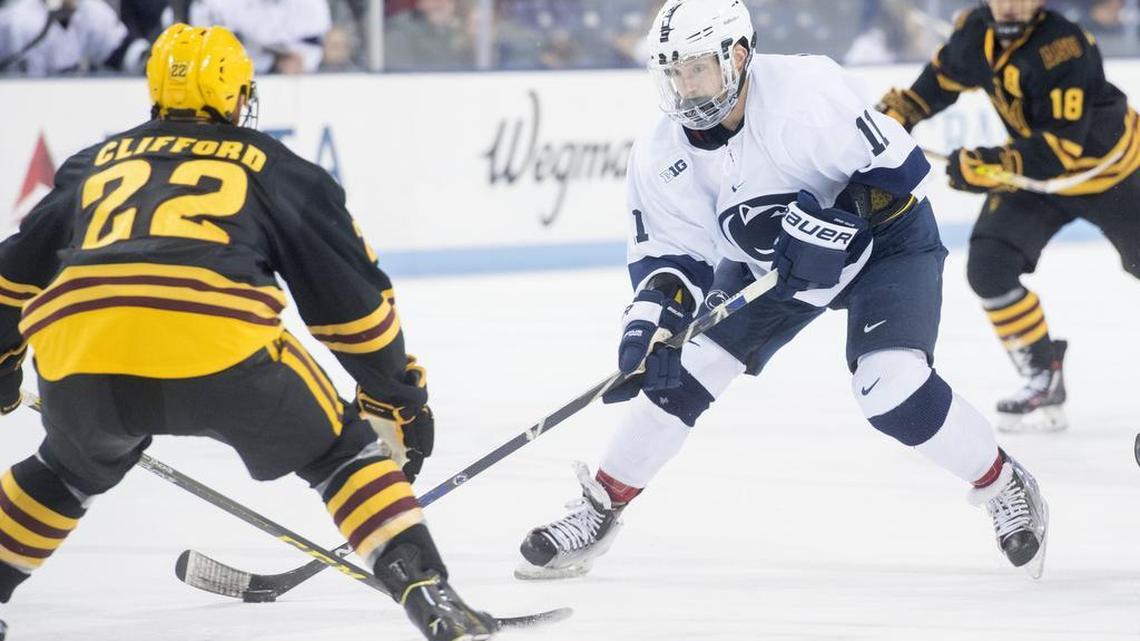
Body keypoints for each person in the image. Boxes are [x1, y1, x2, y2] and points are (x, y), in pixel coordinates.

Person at [515, 0, 1049, 583]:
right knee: (682, 370)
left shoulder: (806, 90)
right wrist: (654, 321)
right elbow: (671, 257)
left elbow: (900, 171)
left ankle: (1003, 483)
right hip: (768, 264)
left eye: (696, 67)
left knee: (889, 389)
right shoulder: (660, 152)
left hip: (886, 244)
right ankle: (600, 508)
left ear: (737, 56)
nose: (685, 87)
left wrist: (835, 222)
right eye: (673, 71)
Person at [0, 24, 496, 641]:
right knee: (342, 455)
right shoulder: (277, 168)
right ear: (238, 95)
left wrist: (3, 365)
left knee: (63, 471)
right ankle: (429, 595)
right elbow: (352, 309)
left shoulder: (91, 164)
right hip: (220, 350)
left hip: (79, 353)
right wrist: (394, 396)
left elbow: (11, 275)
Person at [877, 0, 1140, 432]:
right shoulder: (975, 31)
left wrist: (987, 162)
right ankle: (1043, 373)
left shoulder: (1065, 46)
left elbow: (1060, 149)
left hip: (1114, 174)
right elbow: (941, 81)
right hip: (1039, 180)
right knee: (989, 266)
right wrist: (902, 112)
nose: (1013, 5)